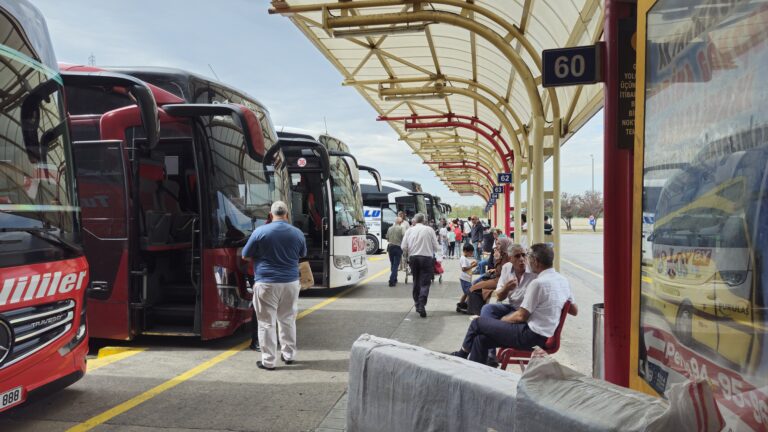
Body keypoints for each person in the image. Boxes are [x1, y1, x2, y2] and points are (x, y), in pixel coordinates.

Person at [452, 243, 579, 365]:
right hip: (544, 333)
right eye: (518, 256)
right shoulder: (562, 280)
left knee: (477, 323)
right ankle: (475, 374)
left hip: (531, 335)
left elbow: (520, 317)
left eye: (527, 256)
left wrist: (499, 322)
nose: (524, 260)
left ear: (535, 261)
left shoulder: (538, 283)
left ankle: (462, 355)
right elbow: (574, 310)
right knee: (481, 339)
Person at [242, 201, 307, 371]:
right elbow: (302, 254)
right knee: (287, 320)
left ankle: (269, 361)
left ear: (270, 215)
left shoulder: (260, 232)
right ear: (286, 215)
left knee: (266, 323)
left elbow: (245, 256)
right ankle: (289, 355)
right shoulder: (298, 233)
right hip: (291, 283)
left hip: (266, 283)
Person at [401, 213, 440, 318]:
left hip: (413, 259)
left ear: (415, 220)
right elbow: (436, 247)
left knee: (416, 280)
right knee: (425, 283)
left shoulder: (409, 230)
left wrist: (409, 252)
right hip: (427, 259)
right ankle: (422, 304)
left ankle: (417, 304)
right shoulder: (429, 230)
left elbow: (403, 246)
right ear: (424, 220)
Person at [466, 237, 512, 315]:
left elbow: (503, 272)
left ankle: (477, 312)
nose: (496, 246)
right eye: (496, 243)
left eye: (499, 244)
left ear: (504, 244)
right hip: (496, 277)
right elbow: (496, 268)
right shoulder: (501, 253)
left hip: (499, 280)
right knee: (474, 286)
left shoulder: (508, 256)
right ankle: (474, 309)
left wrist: (497, 259)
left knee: (474, 288)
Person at [456, 243, 477, 313]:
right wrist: (472, 266)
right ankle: (467, 306)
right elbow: (464, 269)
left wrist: (471, 264)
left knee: (466, 293)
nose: (471, 254)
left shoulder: (464, 258)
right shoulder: (464, 259)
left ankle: (460, 305)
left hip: (465, 279)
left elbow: (465, 267)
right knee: (470, 293)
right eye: (470, 252)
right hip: (465, 279)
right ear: (465, 251)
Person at [386, 216, 406, 287]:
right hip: (398, 247)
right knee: (396, 265)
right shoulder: (401, 228)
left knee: (392, 264)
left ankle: (395, 278)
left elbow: (387, 238)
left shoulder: (390, 228)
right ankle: (391, 280)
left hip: (390, 247)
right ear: (400, 222)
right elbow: (404, 237)